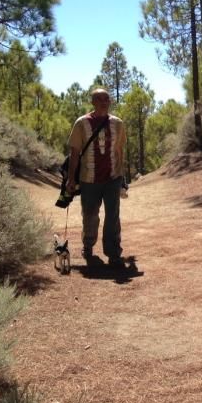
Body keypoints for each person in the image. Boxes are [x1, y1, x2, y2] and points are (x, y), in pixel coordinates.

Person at [66, 88, 127, 268]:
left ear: (110, 102)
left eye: (106, 99)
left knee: (112, 217)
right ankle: (88, 245)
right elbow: (75, 152)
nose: (103, 102)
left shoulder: (118, 124)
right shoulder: (81, 123)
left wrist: (122, 178)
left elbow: (119, 151)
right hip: (88, 179)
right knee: (90, 215)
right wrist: (71, 178)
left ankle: (113, 252)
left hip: (112, 178)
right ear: (92, 102)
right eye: (99, 99)